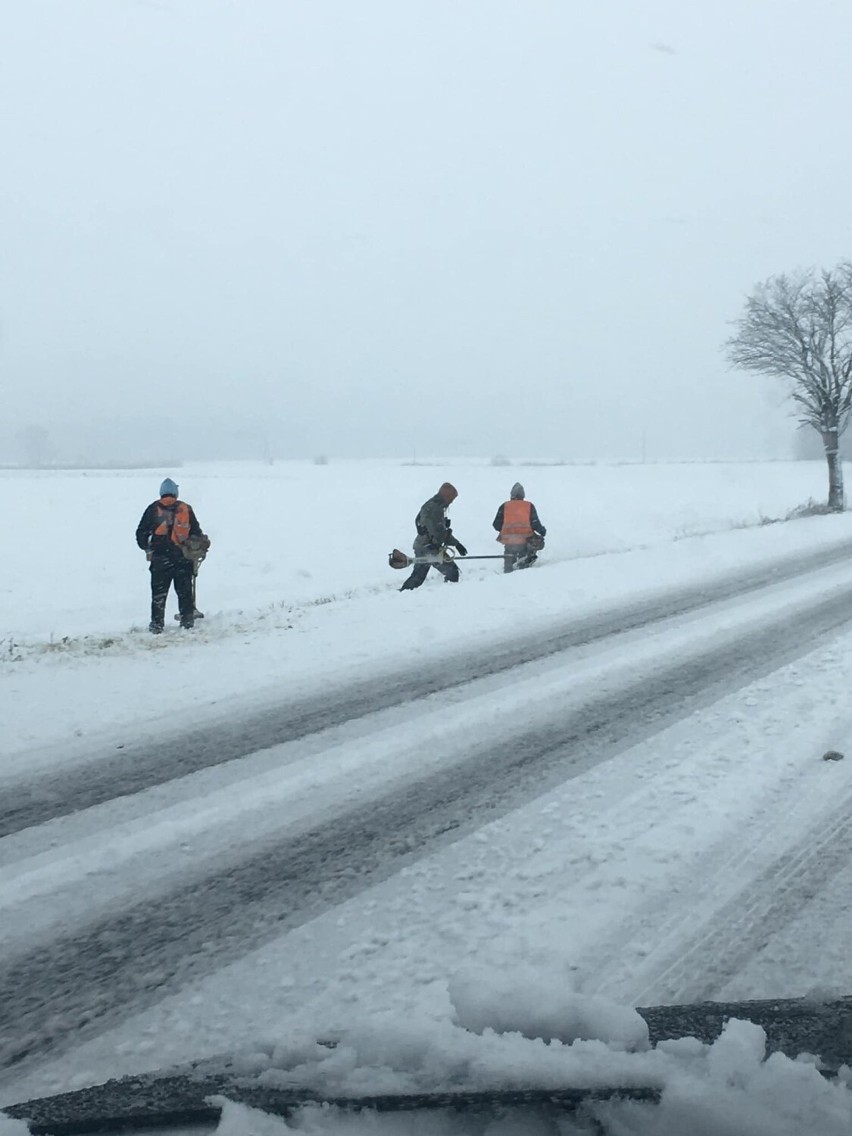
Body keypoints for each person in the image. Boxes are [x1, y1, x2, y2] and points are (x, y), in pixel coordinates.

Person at [135, 478, 206, 632]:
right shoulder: (185, 509)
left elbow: (141, 534)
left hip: (160, 560)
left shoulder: (153, 509)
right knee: (184, 592)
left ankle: (157, 625)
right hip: (183, 559)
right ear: (176, 492)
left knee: (159, 594)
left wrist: (148, 548)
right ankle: (187, 622)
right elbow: (196, 533)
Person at [399, 482, 468, 591]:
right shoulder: (435, 509)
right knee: (452, 572)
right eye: (451, 498)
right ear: (446, 496)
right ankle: (448, 594)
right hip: (429, 548)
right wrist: (457, 544)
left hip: (422, 545)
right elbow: (438, 533)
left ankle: (402, 594)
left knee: (418, 577)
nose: (452, 501)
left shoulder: (432, 505)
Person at [492, 482, 546, 572]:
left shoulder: (504, 506)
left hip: (509, 543)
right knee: (523, 568)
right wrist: (542, 531)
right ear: (522, 495)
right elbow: (535, 524)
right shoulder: (529, 506)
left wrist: (507, 530)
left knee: (508, 565)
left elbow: (496, 525)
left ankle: (506, 575)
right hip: (525, 542)